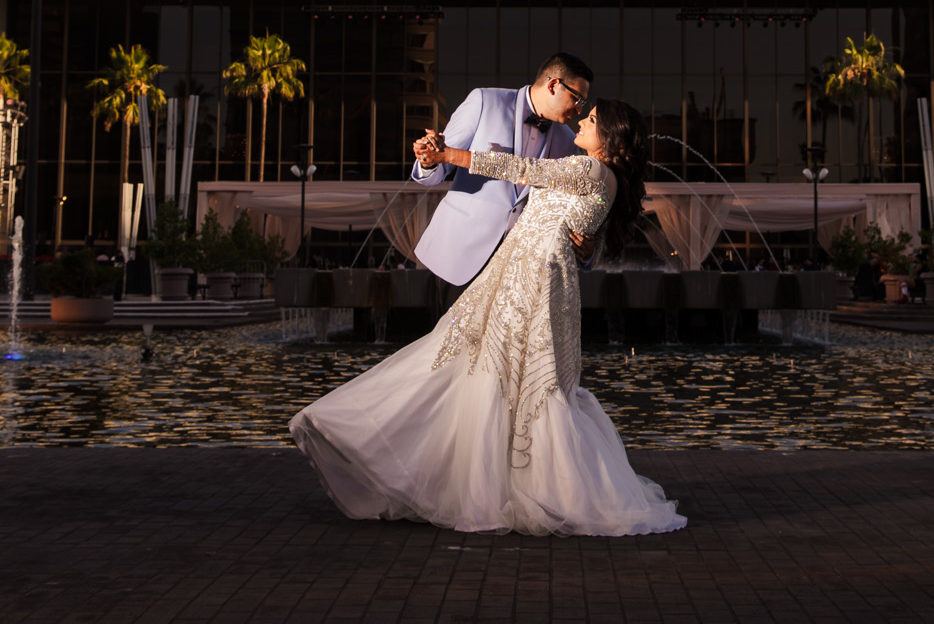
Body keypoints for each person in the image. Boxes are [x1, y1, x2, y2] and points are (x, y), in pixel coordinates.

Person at [290, 99, 685, 536]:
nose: (581, 120)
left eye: (591, 120)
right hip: (530, 275)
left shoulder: (590, 170)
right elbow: (574, 229)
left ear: (609, 136)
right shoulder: (601, 178)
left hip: (530, 280)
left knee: (496, 373)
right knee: (502, 375)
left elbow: (522, 170)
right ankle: (505, 483)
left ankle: (516, 488)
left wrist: (448, 156)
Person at [410, 53, 593, 285]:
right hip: (457, 253)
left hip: (518, 272)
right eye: (577, 98)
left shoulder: (568, 141)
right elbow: (440, 165)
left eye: (583, 103)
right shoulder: (484, 101)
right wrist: (428, 161)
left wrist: (587, 249)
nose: (579, 110)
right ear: (553, 84)